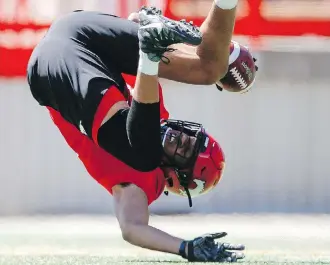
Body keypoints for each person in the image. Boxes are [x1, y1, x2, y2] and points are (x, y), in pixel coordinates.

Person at [27, 1, 249, 262]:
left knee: (145, 154)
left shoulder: (145, 183)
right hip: (80, 33)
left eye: (185, 149)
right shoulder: (158, 116)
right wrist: (223, 55)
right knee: (211, 68)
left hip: (55, 65)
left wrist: (185, 247)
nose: (182, 137)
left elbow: (132, 228)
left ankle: (152, 46)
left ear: (176, 177)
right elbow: (131, 27)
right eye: (191, 137)